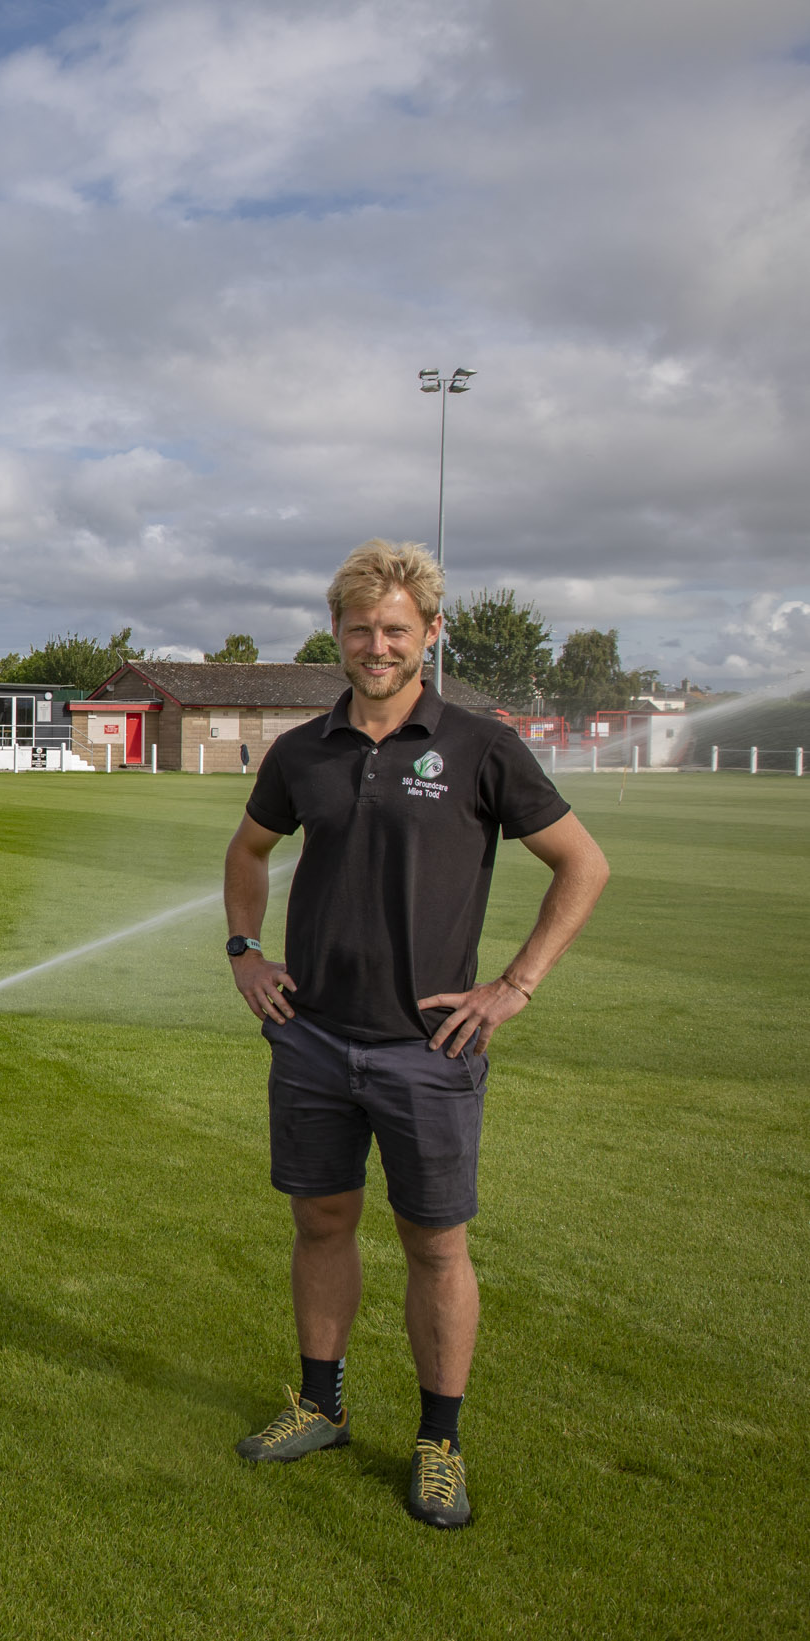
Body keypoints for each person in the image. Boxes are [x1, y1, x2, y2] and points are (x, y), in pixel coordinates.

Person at [223, 540, 609, 1528]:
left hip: (426, 1049)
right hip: (310, 1038)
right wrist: (244, 951)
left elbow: (582, 865)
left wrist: (514, 985)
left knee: (434, 1245)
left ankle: (439, 1442)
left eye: (395, 629)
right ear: (336, 633)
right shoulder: (301, 751)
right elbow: (249, 849)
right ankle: (320, 1405)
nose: (377, 646)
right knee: (320, 1222)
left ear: (429, 633)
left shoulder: (479, 746)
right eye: (360, 629)